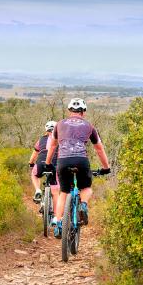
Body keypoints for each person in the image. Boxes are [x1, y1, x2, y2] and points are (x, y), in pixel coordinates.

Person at [44, 98, 110, 238]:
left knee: (64, 192)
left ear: (69, 111)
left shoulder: (59, 125)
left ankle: (59, 224)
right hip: (81, 160)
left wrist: (48, 163)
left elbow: (53, 146)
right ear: (83, 112)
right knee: (86, 188)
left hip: (63, 161)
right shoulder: (90, 126)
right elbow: (99, 149)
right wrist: (106, 167)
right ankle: (83, 205)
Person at [28, 121, 60, 224]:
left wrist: (31, 164)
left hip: (41, 164)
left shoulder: (40, 140)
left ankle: (37, 190)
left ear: (46, 130)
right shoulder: (60, 140)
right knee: (55, 192)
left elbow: (33, 157)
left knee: (34, 174)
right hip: (54, 165)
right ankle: (56, 216)